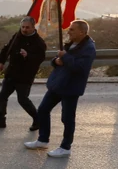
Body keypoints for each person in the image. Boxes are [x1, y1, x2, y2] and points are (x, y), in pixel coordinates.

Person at [25, 20, 96, 158]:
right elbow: (59, 58)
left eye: (72, 30)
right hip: (58, 83)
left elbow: (80, 68)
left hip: (71, 87)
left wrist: (65, 57)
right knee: (43, 110)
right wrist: (55, 61)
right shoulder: (71, 43)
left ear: (82, 32)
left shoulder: (89, 48)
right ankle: (43, 139)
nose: (68, 32)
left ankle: (65, 147)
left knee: (67, 118)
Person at [0, 16, 47, 130]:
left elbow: (40, 58)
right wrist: (1, 61)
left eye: (27, 27)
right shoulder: (17, 36)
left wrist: (28, 55)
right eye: (23, 27)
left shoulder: (39, 42)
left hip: (25, 76)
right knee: (2, 97)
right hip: (11, 73)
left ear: (33, 27)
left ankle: (37, 120)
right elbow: (7, 48)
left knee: (23, 100)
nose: (24, 29)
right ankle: (1, 120)